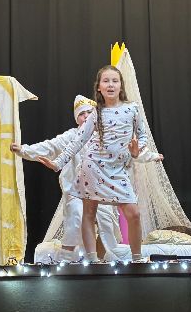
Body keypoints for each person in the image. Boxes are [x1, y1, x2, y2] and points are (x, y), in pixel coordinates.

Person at [37, 66, 147, 263]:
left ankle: (137, 259)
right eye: (106, 81)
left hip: (117, 171)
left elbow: (142, 136)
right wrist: (57, 164)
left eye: (115, 80)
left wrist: (137, 151)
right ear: (99, 87)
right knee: (88, 213)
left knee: (134, 213)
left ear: (121, 85)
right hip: (93, 168)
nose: (110, 85)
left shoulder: (132, 109)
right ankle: (92, 260)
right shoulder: (96, 113)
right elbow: (78, 141)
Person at [12, 95, 128, 261]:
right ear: (76, 119)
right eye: (81, 114)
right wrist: (24, 150)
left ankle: (104, 258)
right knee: (76, 215)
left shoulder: (104, 137)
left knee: (106, 222)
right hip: (76, 191)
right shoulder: (71, 136)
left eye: (89, 112)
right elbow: (50, 146)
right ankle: (70, 257)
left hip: (101, 192)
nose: (86, 116)